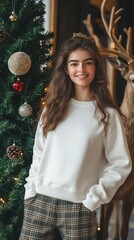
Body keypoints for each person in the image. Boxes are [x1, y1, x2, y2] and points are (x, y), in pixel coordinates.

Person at [19, 33, 132, 240]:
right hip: (40, 201)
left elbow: (120, 164)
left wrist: (92, 200)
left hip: (79, 208)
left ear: (95, 67)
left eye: (87, 63)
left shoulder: (107, 115)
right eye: (74, 64)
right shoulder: (52, 108)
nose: (81, 70)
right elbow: (39, 153)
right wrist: (31, 191)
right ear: (66, 69)